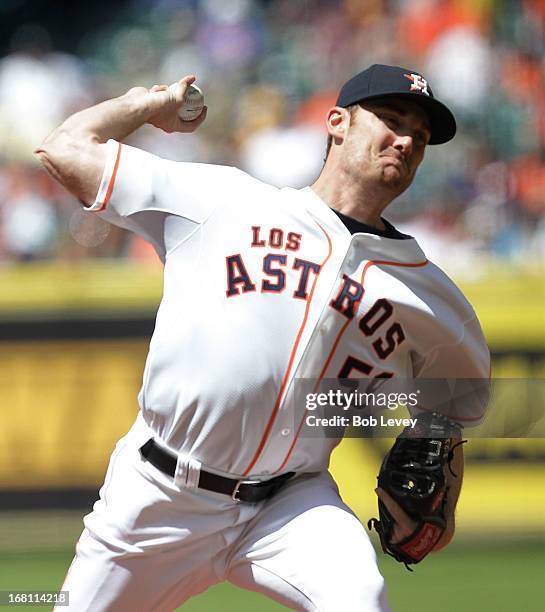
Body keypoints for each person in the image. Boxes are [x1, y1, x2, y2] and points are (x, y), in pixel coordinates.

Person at [35, 64, 490, 611]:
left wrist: (438, 454)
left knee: (360, 597)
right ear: (337, 121)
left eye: (419, 136)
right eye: (391, 120)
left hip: (292, 504)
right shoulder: (224, 201)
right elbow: (63, 149)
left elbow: (461, 399)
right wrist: (143, 104)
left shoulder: (429, 292)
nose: (406, 141)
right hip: (158, 494)